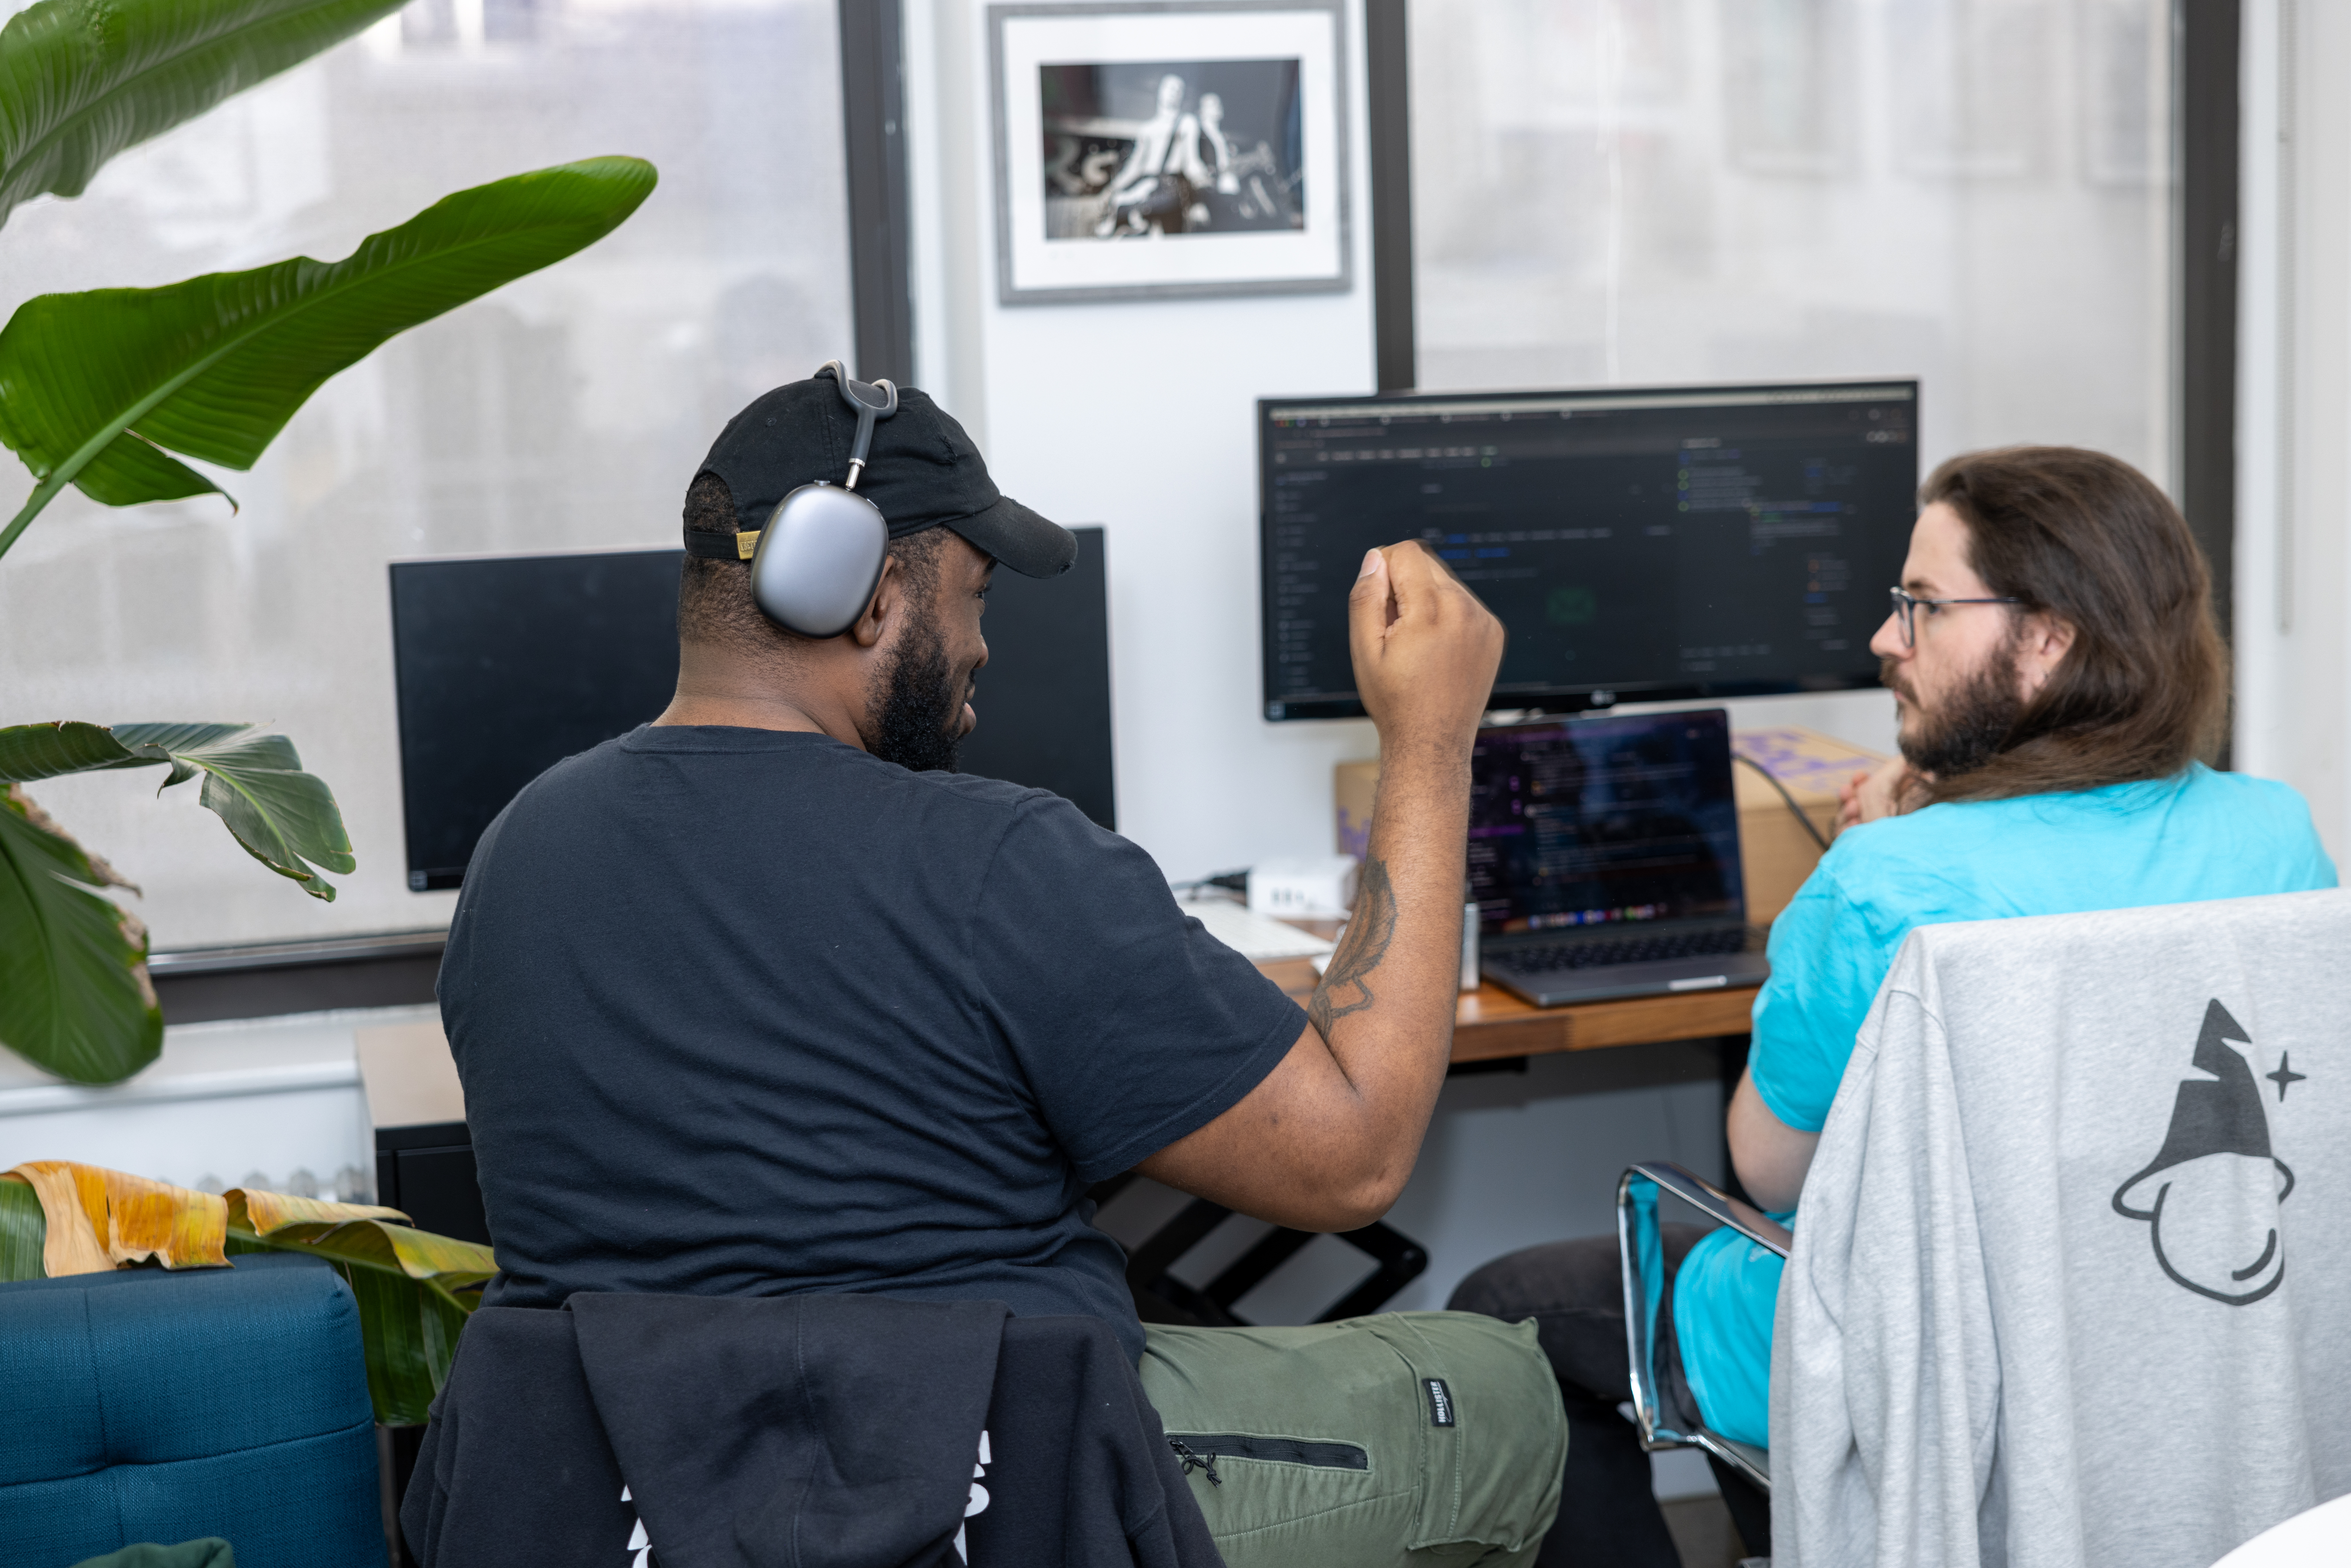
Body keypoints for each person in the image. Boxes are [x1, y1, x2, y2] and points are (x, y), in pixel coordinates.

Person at [436, 371, 1568, 1567]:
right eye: (972, 598)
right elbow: (1353, 1159)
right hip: (997, 1492)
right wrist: (1431, 744)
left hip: (626, 1507)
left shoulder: (515, 851)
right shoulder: (999, 859)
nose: (979, 650)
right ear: (869, 595)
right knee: (1506, 1391)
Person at [1448, 445, 2338, 1566]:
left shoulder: (1886, 882)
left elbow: (1772, 1174)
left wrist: (1870, 850)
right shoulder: (2273, 831)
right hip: (2171, 1330)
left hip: (1922, 1361)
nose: (1883, 640)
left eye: (1919, 607)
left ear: (2044, 640)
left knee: (1506, 1311)